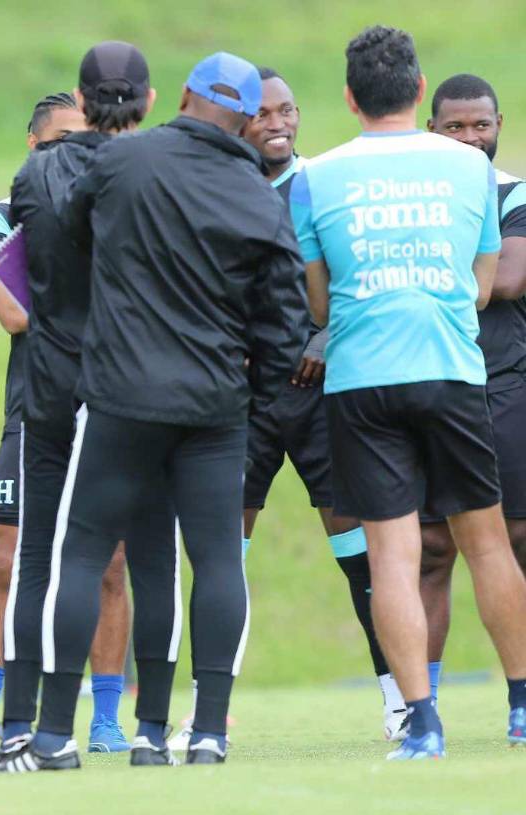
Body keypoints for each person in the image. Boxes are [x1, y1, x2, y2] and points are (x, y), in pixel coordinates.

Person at [0, 50, 308, 772]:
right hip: (212, 409)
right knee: (213, 561)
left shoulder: (121, 164)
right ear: (243, 114)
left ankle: (52, 737)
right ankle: (201, 733)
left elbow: (72, 239)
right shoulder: (259, 194)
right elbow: (285, 323)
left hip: (120, 400)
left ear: (187, 96)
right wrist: (250, 395)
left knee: (79, 556)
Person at [291, 25, 526, 759]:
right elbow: (484, 284)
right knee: (487, 544)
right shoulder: (469, 170)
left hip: (362, 379)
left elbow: (320, 304)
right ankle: (521, 708)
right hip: (453, 371)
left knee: (394, 556)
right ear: (422, 92)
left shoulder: (314, 177)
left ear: (350, 98)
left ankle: (421, 722)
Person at [0, 41, 177, 774]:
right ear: (149, 100)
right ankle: (151, 732)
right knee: (147, 557)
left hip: (51, 388)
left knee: (40, 555)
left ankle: (18, 731)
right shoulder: (158, 170)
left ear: (82, 95)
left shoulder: (33, 172)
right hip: (137, 389)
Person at [233, 66, 405, 742]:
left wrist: (328, 336)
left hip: (318, 399)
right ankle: (206, 708)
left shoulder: (324, 185)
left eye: (288, 110)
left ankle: (397, 697)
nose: (279, 122)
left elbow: (362, 273)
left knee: (357, 553)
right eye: (264, 113)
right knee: (222, 555)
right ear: (239, 121)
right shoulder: (222, 190)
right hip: (241, 405)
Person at [0, 92, 134, 753]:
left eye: (83, 137)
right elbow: (13, 311)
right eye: (59, 140)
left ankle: (104, 719)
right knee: (9, 561)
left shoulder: (115, 207)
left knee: (112, 565)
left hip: (108, 403)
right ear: (34, 147)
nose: (74, 152)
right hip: (33, 406)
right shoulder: (1, 215)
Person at [419, 74, 526, 719]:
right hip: (429, 382)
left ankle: (522, 699)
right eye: (454, 126)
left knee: (517, 538)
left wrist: (413, 266)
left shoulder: (515, 191)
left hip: (505, 385)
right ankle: (418, 701)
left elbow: (509, 279)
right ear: (432, 127)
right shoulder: (419, 193)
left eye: (479, 125)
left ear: (498, 125)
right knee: (432, 548)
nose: (468, 138)